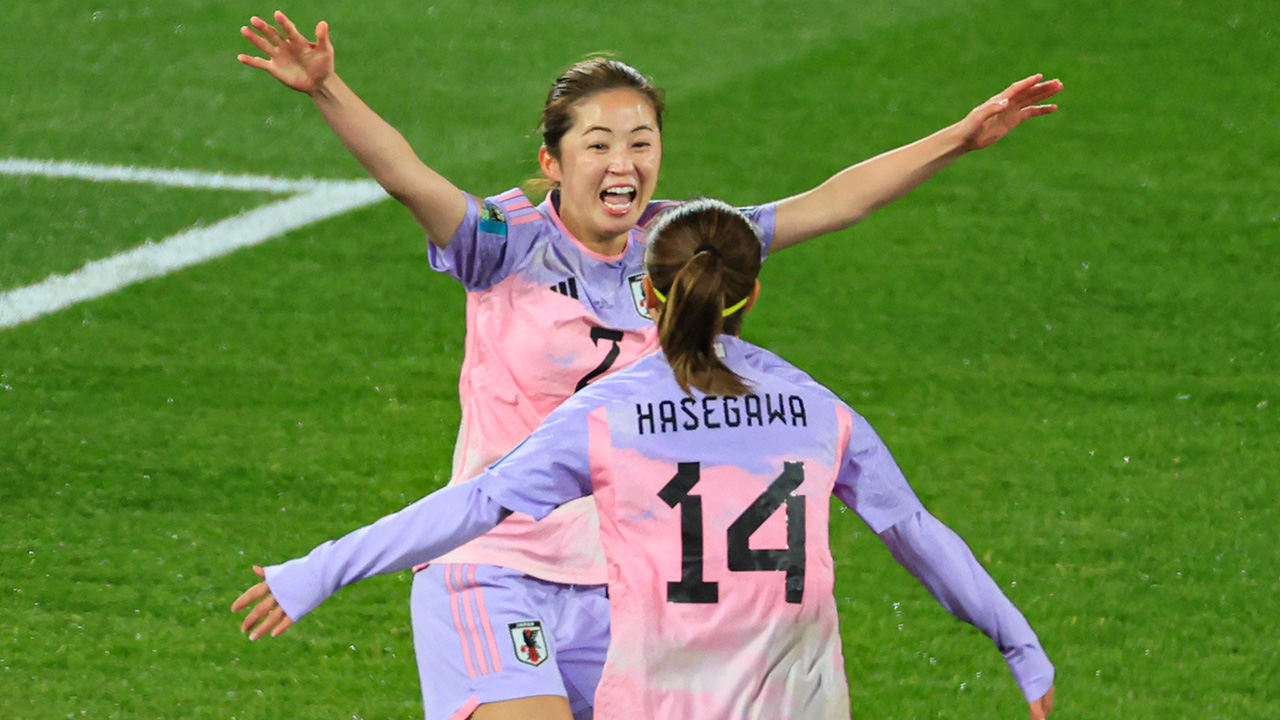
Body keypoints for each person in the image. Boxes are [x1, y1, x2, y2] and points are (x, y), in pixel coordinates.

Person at [236, 11, 1063, 720]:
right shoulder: (505, 244)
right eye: (598, 144)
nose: (624, 161)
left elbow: (837, 201)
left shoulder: (681, 244)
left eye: (642, 140)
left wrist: (961, 137)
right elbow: (404, 175)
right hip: (492, 565)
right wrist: (325, 90)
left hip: (632, 590)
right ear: (553, 161)